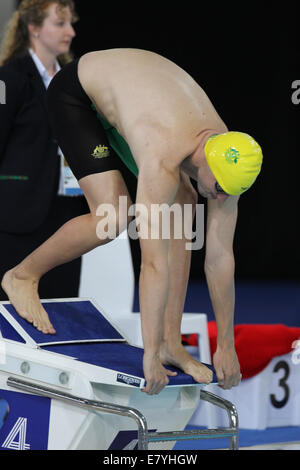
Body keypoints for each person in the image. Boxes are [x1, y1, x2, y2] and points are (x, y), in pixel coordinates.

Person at [1, 48, 263, 395]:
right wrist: (149, 354)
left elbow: (219, 258)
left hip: (137, 101)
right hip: (78, 94)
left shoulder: (229, 157)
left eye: (228, 192)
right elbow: (152, 264)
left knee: (185, 205)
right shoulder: (163, 155)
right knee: (113, 214)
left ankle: (173, 341)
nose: (220, 198)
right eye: (218, 189)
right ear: (207, 163)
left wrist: (226, 345)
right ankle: (22, 275)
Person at [0, 0, 89, 301]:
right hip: (18, 215)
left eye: (71, 23)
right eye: (60, 23)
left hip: (67, 211)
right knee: (15, 308)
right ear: (34, 28)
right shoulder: (7, 77)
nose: (71, 32)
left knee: (61, 303)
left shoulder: (74, 79)